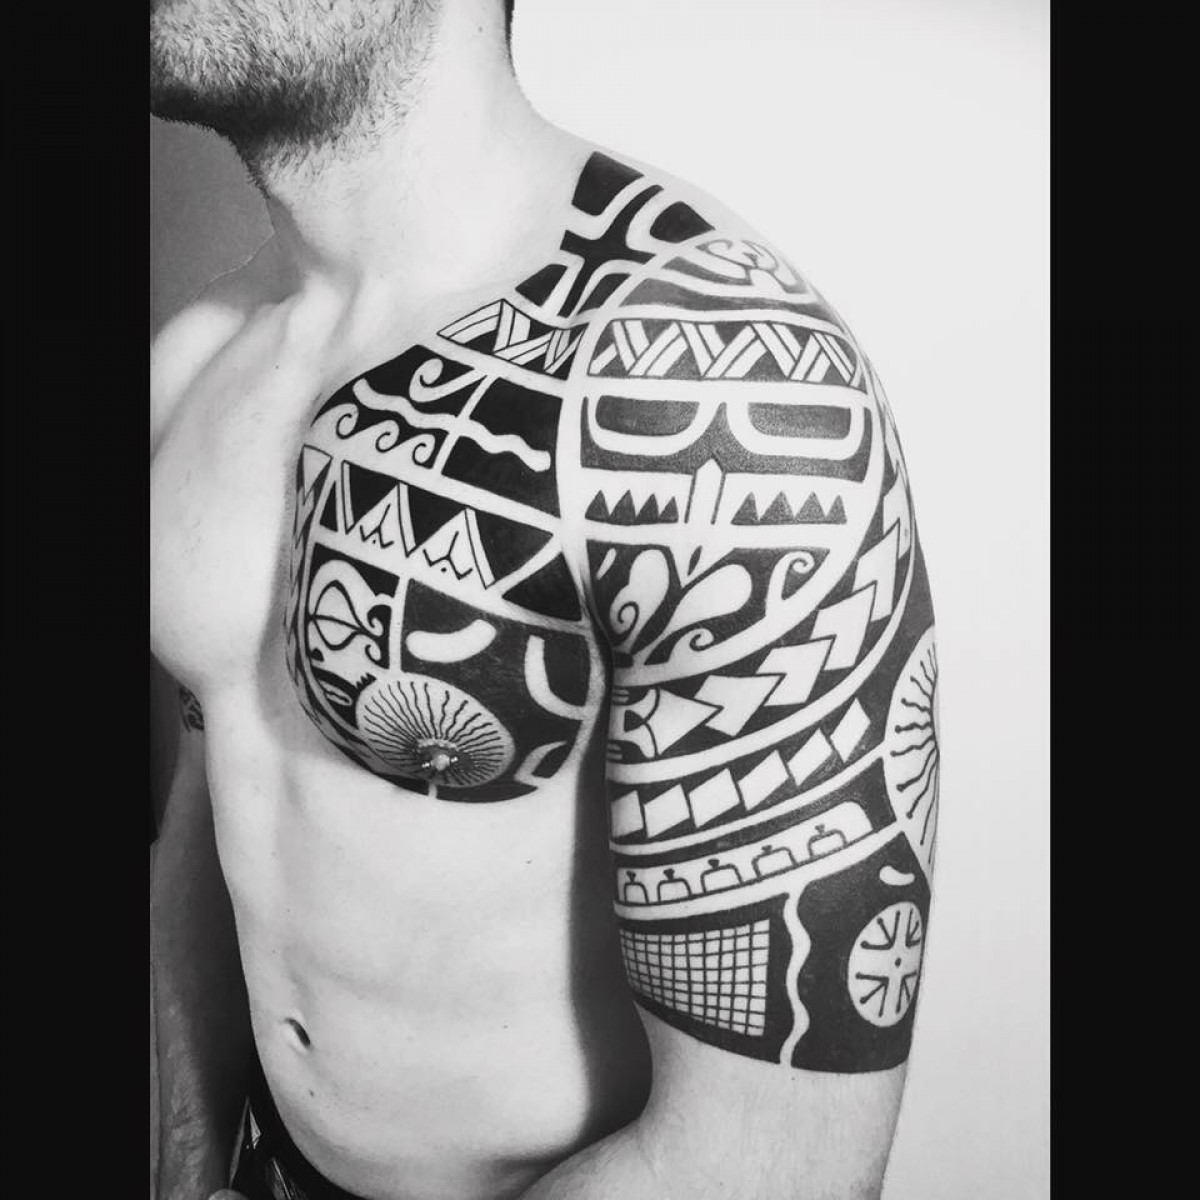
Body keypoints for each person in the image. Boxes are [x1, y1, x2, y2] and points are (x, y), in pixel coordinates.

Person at [149, 1, 941, 1197]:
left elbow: (771, 1167)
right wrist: (191, 1166)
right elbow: (215, 800)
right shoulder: (194, 356)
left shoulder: (717, 395)